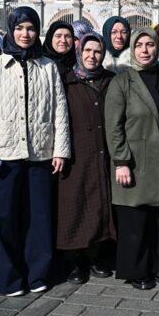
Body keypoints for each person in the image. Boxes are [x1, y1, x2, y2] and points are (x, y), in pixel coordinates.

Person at [0, 6, 70, 296]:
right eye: (19, 28)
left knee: (38, 217)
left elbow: (59, 110)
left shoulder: (48, 66)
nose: (25, 34)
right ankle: (9, 279)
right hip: (5, 153)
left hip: (40, 153)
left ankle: (38, 273)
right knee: (4, 218)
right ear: (11, 30)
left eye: (30, 28)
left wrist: (61, 150)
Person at [105, 29, 159, 290]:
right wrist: (121, 160)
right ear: (132, 49)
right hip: (135, 160)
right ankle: (137, 270)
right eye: (140, 45)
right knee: (136, 221)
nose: (145, 50)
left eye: (150, 45)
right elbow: (113, 126)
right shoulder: (122, 82)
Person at [56, 33, 116, 285]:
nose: (92, 56)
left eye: (97, 52)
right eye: (88, 51)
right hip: (76, 155)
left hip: (103, 153)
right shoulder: (67, 81)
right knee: (75, 207)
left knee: (99, 205)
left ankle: (95, 257)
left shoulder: (110, 81)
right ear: (79, 52)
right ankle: (75, 262)